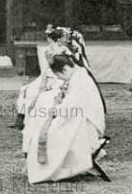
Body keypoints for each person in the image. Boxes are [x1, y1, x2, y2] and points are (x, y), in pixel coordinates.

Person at [24, 54, 110, 183]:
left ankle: (49, 170)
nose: (61, 80)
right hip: (77, 118)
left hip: (86, 125)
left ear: (64, 69)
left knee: (50, 133)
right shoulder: (78, 75)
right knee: (45, 130)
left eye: (60, 76)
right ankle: (48, 167)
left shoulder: (80, 80)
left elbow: (71, 107)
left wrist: (56, 111)